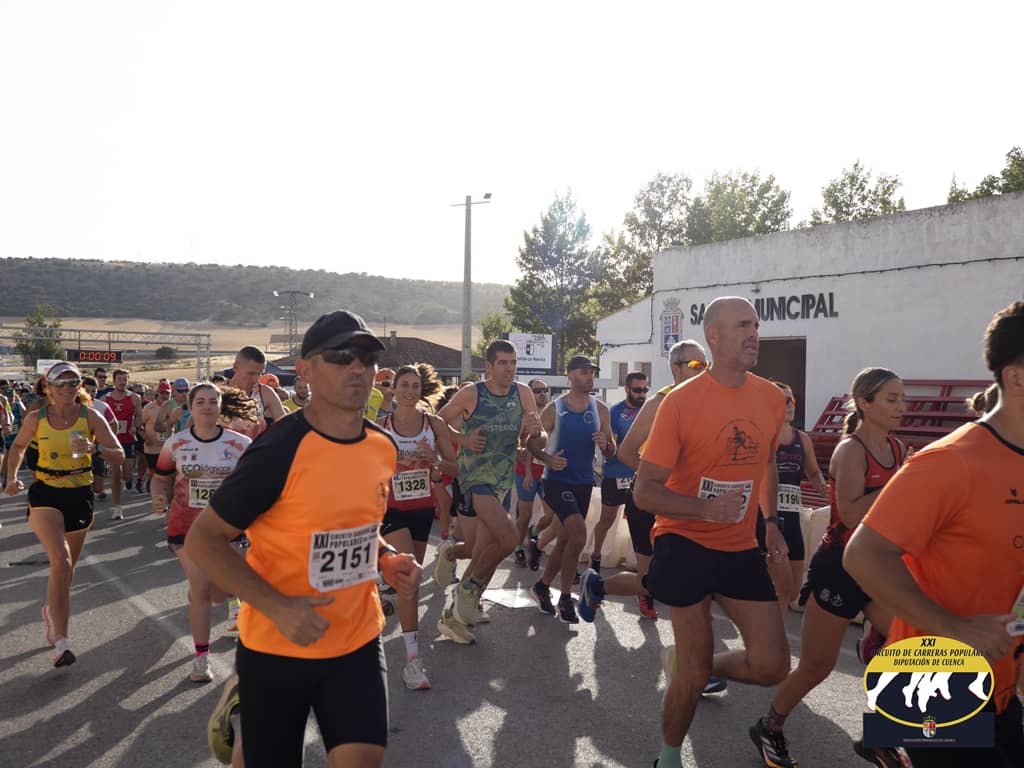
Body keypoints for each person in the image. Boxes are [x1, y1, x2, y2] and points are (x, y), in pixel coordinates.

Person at [185, 310, 421, 768]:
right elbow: (204, 540)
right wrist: (277, 606)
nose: (358, 368)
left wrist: (387, 558)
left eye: (367, 358)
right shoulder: (277, 451)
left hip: (356, 641)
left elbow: (360, 527)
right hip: (276, 648)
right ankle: (244, 710)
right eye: (341, 356)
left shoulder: (381, 447)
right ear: (305, 369)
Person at [845, 301, 1024, 768]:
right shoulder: (951, 461)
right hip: (932, 684)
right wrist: (957, 628)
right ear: (1016, 378)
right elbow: (862, 555)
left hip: (1000, 684)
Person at [627, 297, 790, 768]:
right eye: (742, 326)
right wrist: (704, 508)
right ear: (714, 336)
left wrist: (772, 522)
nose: (754, 334)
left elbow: (766, 464)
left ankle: (691, 668)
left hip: (740, 544)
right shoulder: (679, 402)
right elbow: (645, 491)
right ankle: (668, 757)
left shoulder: (771, 398)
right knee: (695, 666)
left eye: (755, 325)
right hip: (683, 539)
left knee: (772, 665)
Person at [751, 367, 909, 768]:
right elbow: (852, 513)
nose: (901, 407)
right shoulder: (850, 451)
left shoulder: (897, 449)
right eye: (891, 399)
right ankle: (769, 726)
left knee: (911, 649)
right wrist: (897, 487)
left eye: (902, 399)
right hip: (839, 568)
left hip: (877, 568)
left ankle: (881, 735)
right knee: (817, 667)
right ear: (865, 403)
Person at [4, 362, 124, 667]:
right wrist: (11, 478)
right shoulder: (36, 418)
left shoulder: (91, 417)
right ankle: (62, 641)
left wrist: (94, 449)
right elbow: (18, 447)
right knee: (61, 559)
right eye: (61, 384)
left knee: (67, 571)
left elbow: (120, 455)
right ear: (48, 387)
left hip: (79, 494)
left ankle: (51, 610)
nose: (67, 389)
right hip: (45, 492)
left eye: (73, 383)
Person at [579, 341, 709, 623]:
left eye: (706, 365)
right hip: (650, 498)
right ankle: (597, 586)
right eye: (696, 365)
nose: (703, 371)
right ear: (676, 368)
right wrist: (657, 478)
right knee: (652, 578)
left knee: (696, 571)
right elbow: (625, 452)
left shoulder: (706, 403)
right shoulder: (659, 403)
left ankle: (696, 616)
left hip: (684, 501)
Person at [435, 340, 542, 642]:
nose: (510, 368)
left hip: (502, 481)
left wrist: (537, 432)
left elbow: (535, 437)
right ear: (489, 366)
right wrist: (463, 440)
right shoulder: (472, 393)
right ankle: (467, 592)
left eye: (513, 362)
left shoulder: (523, 393)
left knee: (483, 552)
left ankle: (452, 616)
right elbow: (436, 422)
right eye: (503, 363)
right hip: (474, 478)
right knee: (509, 538)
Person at [152, 383, 252, 683]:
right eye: (200, 402)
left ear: (220, 406)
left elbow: (255, 483)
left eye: (212, 401)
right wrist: (158, 496)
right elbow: (159, 477)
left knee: (219, 589)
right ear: (191, 407)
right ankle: (201, 657)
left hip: (226, 527)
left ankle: (217, 598)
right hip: (186, 526)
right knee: (203, 585)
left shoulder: (240, 443)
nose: (207, 406)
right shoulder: (177, 443)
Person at [381, 364, 458, 689]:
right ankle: (413, 660)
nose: (410, 391)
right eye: (404, 385)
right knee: (411, 576)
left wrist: (435, 462)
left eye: (415, 386)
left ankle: (382, 588)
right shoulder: (381, 426)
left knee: (407, 584)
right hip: (390, 508)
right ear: (394, 389)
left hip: (422, 508)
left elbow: (454, 466)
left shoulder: (434, 424)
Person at [527, 356, 615, 624]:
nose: (589, 377)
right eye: (583, 372)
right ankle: (566, 597)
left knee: (566, 540)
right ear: (570, 376)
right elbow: (532, 444)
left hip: (584, 482)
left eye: (591, 373)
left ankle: (542, 585)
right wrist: (547, 458)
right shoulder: (555, 409)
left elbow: (611, 450)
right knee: (578, 535)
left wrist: (605, 444)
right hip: (556, 481)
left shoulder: (600, 409)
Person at [755, 381, 827, 615]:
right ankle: (772, 634)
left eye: (792, 400)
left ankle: (770, 631)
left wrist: (823, 488)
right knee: (775, 589)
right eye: (783, 400)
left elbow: (813, 472)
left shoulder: (802, 439)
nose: (790, 405)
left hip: (793, 519)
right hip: (766, 520)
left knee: (792, 592)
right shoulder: (761, 436)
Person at [591, 371, 647, 576]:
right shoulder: (615, 412)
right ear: (627, 389)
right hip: (616, 474)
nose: (642, 394)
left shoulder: (649, 410)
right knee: (607, 519)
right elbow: (611, 446)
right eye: (637, 390)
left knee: (640, 521)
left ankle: (642, 565)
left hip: (641, 474)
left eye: (645, 390)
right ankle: (596, 556)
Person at [512, 379, 550, 568]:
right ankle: (518, 547)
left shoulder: (552, 412)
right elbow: (515, 441)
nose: (542, 393)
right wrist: (518, 452)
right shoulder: (524, 416)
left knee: (551, 515)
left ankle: (533, 534)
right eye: (537, 390)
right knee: (525, 514)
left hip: (547, 472)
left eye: (545, 390)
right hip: (526, 472)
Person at [102, 369, 143, 520]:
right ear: (114, 381)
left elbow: (139, 417)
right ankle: (117, 507)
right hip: (112, 440)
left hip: (128, 438)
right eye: (119, 379)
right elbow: (100, 419)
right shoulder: (105, 398)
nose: (122, 382)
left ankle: (127, 480)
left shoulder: (134, 398)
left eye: (125, 379)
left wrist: (135, 426)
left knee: (127, 474)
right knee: (116, 472)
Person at [227, 346, 285, 433]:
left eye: (260, 374)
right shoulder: (217, 393)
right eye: (251, 374)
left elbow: (285, 426)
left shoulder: (265, 393)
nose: (256, 379)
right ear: (236, 367)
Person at [139, 381, 173, 496]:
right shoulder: (149, 408)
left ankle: (161, 491)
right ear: (157, 393)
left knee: (166, 471)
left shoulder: (174, 407)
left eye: (167, 393)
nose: (165, 395)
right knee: (153, 470)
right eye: (162, 393)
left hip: (168, 446)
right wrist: (145, 438)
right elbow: (138, 425)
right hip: (152, 446)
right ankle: (150, 481)